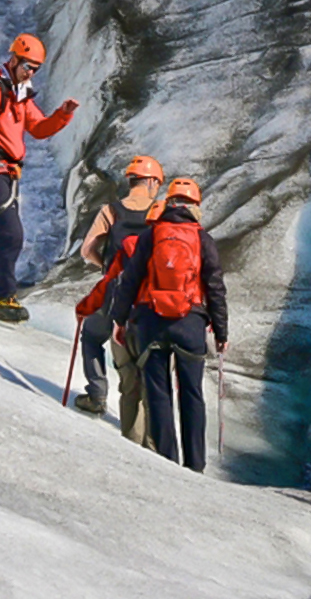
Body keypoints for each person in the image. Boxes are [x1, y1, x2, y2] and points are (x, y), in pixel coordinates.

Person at [109, 178, 229, 472]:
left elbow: (131, 278)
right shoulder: (202, 239)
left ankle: (167, 463)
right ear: (195, 207)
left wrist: (119, 319)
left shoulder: (151, 235)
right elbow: (215, 287)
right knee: (192, 395)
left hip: (151, 322)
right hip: (190, 324)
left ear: (169, 203)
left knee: (158, 394)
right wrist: (222, 332)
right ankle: (196, 465)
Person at [0, 33, 78, 322]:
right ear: (13, 59)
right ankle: (3, 297)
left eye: (35, 69)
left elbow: (38, 128)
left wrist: (62, 115)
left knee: (3, 234)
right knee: (11, 234)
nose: (31, 72)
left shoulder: (19, 93)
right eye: (27, 66)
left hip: (9, 172)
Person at [71, 155, 163, 445]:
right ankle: (153, 434)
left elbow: (87, 249)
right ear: (151, 181)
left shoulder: (110, 211)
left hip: (114, 293)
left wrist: (106, 266)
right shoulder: (161, 211)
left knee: (91, 336)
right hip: (150, 298)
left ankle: (97, 394)